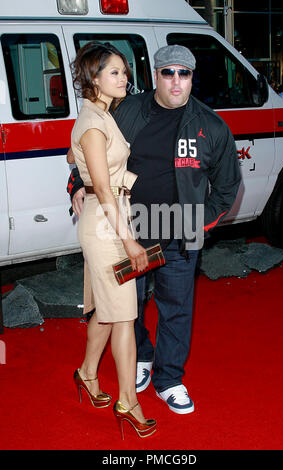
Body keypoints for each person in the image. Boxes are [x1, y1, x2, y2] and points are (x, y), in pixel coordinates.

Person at [68, 44, 241, 415]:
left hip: (180, 237)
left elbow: (227, 188)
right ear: (156, 76)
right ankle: (143, 358)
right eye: (168, 73)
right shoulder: (127, 110)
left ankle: (169, 380)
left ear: (193, 77)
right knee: (131, 308)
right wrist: (77, 184)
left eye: (185, 73)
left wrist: (196, 223)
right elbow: (93, 151)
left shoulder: (211, 125)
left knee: (177, 310)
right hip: (129, 232)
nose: (177, 81)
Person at [69, 41, 156, 439]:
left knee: (107, 309)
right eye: (116, 71)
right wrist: (131, 242)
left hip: (113, 217)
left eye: (124, 71)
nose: (125, 78)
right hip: (108, 223)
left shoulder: (101, 116)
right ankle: (128, 401)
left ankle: (87, 373)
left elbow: (85, 160)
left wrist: (78, 165)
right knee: (125, 313)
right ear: (94, 78)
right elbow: (103, 190)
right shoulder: (93, 120)